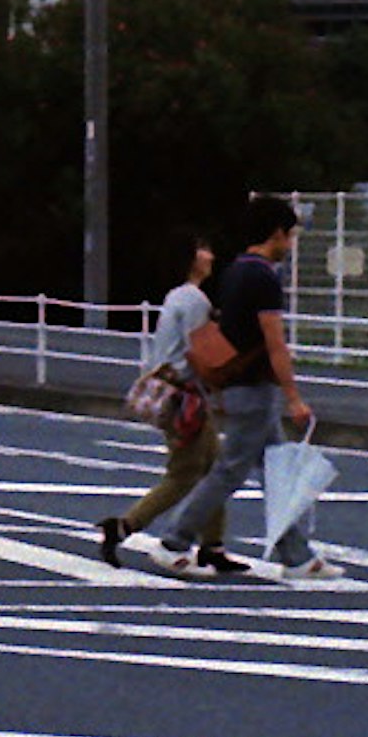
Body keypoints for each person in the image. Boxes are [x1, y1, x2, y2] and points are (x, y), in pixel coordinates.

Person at [136, 194, 337, 581]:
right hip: (256, 391)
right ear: (277, 234)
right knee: (229, 471)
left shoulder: (234, 272)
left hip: (235, 386)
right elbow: (274, 343)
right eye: (290, 237)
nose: (290, 245)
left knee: (274, 468)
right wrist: (293, 397)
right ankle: (173, 541)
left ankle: (297, 555)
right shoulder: (263, 277)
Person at [98, 236, 233, 572]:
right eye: (204, 249)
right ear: (190, 258)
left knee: (215, 470)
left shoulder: (178, 296)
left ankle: (213, 546)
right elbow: (202, 351)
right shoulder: (193, 300)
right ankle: (124, 526)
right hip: (185, 398)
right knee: (184, 474)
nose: (211, 255)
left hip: (176, 394)